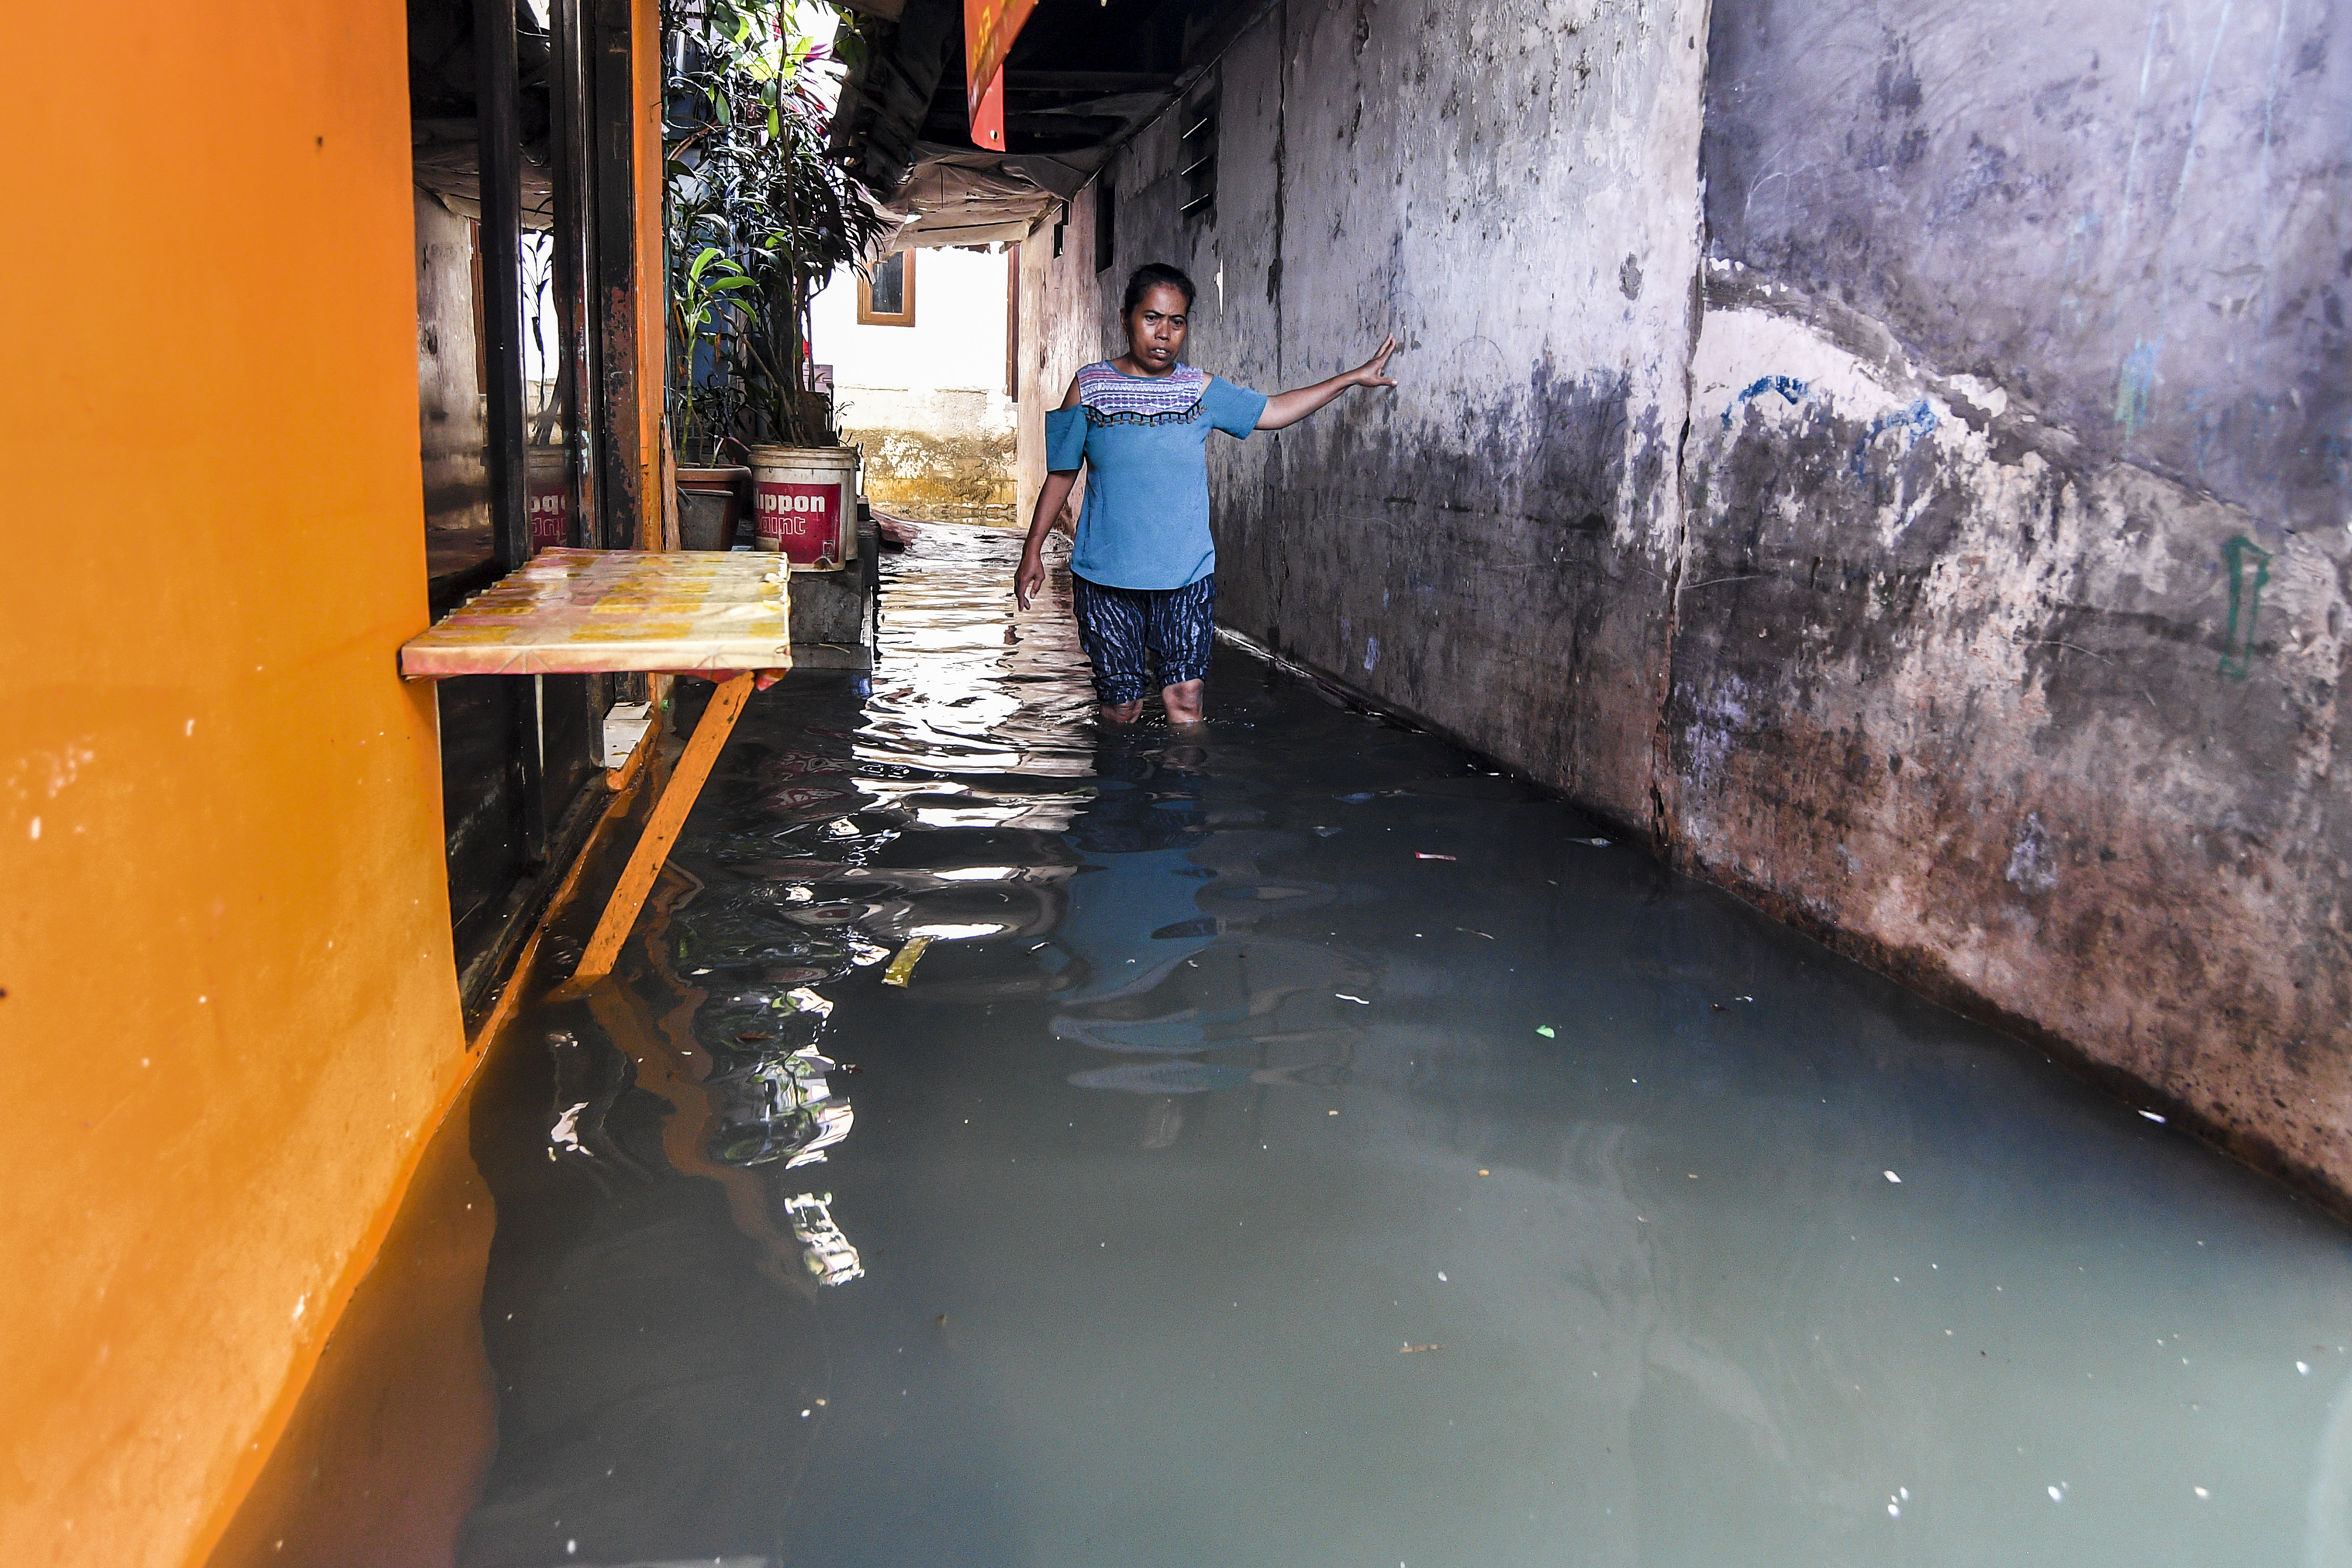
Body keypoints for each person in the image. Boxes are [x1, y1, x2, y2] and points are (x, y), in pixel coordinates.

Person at [1014, 262, 1396, 726]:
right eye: (1151, 318)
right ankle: (1119, 795)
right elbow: (1062, 473)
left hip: (1185, 577)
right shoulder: (1090, 387)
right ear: (1126, 319)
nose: (1163, 333)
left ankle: (1182, 795)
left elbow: (1272, 411)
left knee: (1186, 699)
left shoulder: (1199, 390)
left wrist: (1352, 377)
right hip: (1107, 579)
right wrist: (1032, 550)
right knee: (1121, 707)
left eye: (1176, 322)